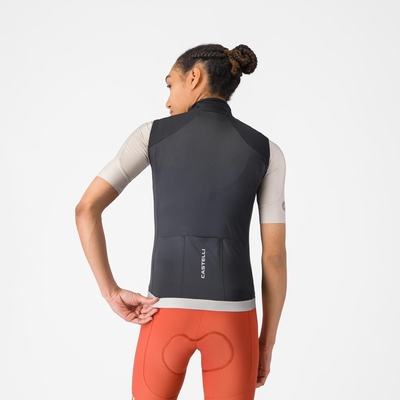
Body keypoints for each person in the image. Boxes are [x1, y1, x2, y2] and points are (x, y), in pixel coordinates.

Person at [75, 43, 287, 400]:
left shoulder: (151, 135)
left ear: (194, 77)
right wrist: (265, 342)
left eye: (170, 85)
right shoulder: (267, 151)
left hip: (164, 311)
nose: (167, 101)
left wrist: (111, 292)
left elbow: (86, 209)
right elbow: (275, 257)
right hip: (235, 316)